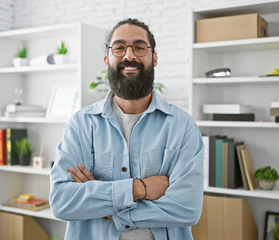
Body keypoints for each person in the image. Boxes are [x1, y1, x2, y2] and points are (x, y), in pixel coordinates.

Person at [50, 18, 204, 240]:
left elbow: (186, 209)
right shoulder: (80, 125)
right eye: (119, 47)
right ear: (107, 59)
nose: (129, 56)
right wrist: (139, 188)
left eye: (139, 47)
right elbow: (62, 202)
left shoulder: (182, 127)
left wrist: (105, 205)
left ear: (155, 58)